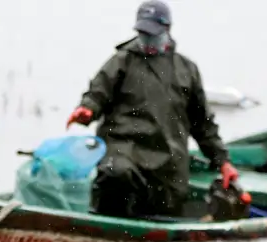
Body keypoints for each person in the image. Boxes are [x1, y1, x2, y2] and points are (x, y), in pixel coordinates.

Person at [66, 0, 239, 219]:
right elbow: (97, 93)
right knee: (115, 173)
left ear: (167, 30)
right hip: (125, 150)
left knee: (168, 204)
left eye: (153, 34)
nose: (147, 40)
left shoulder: (186, 70)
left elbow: (203, 124)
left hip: (168, 162)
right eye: (143, 34)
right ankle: (106, 228)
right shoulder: (122, 62)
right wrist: (87, 110)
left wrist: (223, 162)